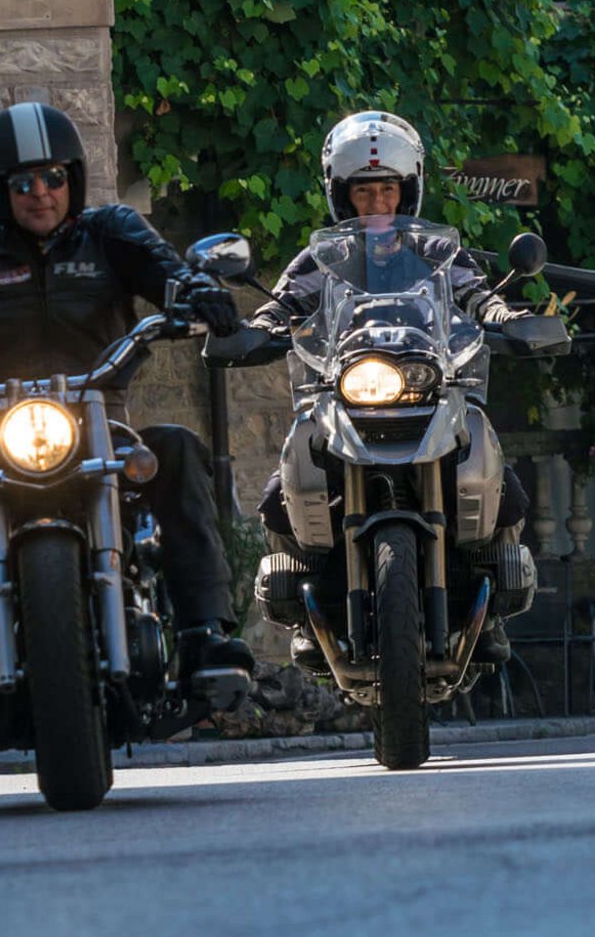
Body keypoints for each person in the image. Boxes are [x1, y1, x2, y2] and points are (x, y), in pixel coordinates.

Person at [0, 101, 250, 735]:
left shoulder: (112, 232)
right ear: (1, 190)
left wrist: (198, 292)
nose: (40, 194)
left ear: (73, 178)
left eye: (52, 178)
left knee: (178, 449)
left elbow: (167, 273)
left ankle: (206, 633)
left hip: (104, 418)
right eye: (23, 183)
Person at [230, 111, 547, 625]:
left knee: (501, 483)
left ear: (407, 191)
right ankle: (306, 603)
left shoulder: (436, 251)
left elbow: (476, 294)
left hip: (431, 387)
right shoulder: (323, 259)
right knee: (278, 495)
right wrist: (258, 327)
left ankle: (491, 607)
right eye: (363, 191)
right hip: (345, 391)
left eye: (387, 190)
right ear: (342, 195)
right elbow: (284, 303)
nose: (377, 203)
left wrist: (504, 316)